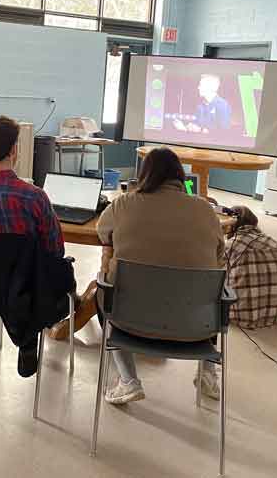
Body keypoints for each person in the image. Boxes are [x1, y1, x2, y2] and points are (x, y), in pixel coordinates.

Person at [96, 147, 226, 404]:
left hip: (129, 319)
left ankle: (128, 379)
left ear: (145, 175)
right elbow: (219, 252)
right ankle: (207, 372)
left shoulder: (124, 203)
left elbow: (102, 232)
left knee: (104, 290)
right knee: (212, 292)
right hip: (196, 325)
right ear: (180, 176)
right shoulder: (205, 210)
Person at [0, 116, 66, 374]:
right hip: (24, 293)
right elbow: (55, 249)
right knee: (58, 273)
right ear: (14, 150)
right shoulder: (34, 197)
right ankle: (27, 338)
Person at [224, 206, 277, 329]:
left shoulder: (232, 245)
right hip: (273, 316)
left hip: (239, 317)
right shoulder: (276, 245)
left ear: (231, 224)